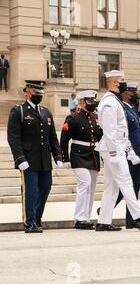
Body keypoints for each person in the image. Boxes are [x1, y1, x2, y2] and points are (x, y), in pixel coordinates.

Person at [95, 70, 140, 231]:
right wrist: (113, 153)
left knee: (111, 187)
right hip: (113, 149)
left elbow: (121, 131)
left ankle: (103, 221)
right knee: (126, 181)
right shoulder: (110, 102)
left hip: (117, 147)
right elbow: (110, 131)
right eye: (122, 80)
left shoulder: (113, 101)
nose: (125, 83)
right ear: (114, 83)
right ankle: (138, 217)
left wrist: (129, 151)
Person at [7, 80, 64, 233]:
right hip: (28, 159)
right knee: (30, 191)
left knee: (45, 189)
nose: (39, 96)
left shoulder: (46, 112)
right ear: (28, 92)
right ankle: (29, 222)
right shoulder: (18, 111)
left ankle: (37, 218)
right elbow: (13, 137)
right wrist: (19, 158)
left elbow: (52, 136)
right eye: (36, 93)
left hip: (44, 159)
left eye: (41, 94)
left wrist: (57, 155)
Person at [60, 90, 102, 230]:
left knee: (91, 188)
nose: (92, 104)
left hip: (93, 155)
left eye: (93, 102)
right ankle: (79, 218)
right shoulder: (73, 118)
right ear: (82, 101)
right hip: (78, 155)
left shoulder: (96, 117)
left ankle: (86, 217)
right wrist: (64, 158)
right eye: (90, 101)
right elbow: (64, 139)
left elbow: (100, 137)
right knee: (85, 184)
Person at [113, 83, 140, 229]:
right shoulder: (123, 110)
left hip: (138, 154)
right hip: (128, 154)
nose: (136, 95)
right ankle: (107, 208)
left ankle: (131, 219)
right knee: (126, 187)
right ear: (125, 93)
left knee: (135, 186)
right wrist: (130, 151)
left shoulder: (132, 109)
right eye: (133, 93)